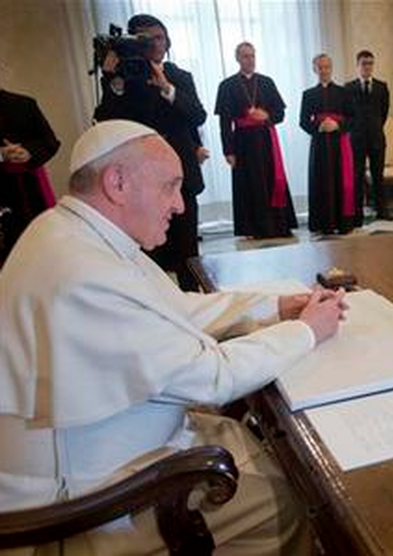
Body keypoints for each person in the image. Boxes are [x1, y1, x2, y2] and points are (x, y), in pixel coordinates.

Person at [0, 120, 348, 555]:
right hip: (87, 506)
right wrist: (308, 331)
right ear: (117, 182)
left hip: (125, 446)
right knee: (291, 501)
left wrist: (277, 307)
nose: (181, 206)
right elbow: (213, 378)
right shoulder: (80, 272)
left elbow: (176, 309)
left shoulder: (73, 233)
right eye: (170, 187)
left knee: (271, 445)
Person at [94, 13, 207, 291]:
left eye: (159, 37)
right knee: (148, 256)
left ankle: (197, 309)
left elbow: (198, 115)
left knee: (188, 253)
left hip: (181, 175)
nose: (155, 44)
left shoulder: (180, 76)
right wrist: (110, 78)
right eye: (146, 39)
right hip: (140, 178)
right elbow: (105, 119)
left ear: (167, 42)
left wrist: (167, 88)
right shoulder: (124, 78)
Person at [215, 42, 297, 238]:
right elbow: (225, 122)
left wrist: (266, 116)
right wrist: (228, 151)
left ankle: (277, 225)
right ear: (237, 58)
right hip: (242, 143)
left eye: (252, 56)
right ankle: (253, 228)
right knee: (248, 184)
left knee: (271, 181)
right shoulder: (227, 86)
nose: (249, 60)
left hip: (266, 141)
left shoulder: (267, 82)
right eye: (245, 56)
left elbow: (280, 113)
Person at [0, 87, 59, 262]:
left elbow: (50, 141)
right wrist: (1, 154)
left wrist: (29, 152)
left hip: (32, 187)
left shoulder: (24, 104)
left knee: (46, 246)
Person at [300, 53, 356, 234]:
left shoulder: (344, 92)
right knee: (321, 180)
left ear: (331, 68)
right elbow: (303, 122)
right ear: (314, 69)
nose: (324, 71)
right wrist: (319, 127)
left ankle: (342, 222)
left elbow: (353, 118)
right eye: (320, 67)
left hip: (340, 143)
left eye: (327, 67)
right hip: (320, 144)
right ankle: (322, 223)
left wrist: (337, 125)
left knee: (341, 181)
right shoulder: (308, 94)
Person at [345, 50, 392, 221]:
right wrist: (355, 129)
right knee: (357, 176)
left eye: (370, 63)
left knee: (378, 175)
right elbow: (346, 114)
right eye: (364, 63)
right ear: (358, 65)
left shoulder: (382, 87)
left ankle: (382, 211)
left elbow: (384, 112)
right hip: (356, 139)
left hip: (377, 138)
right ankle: (357, 214)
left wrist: (375, 128)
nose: (368, 67)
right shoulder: (348, 87)